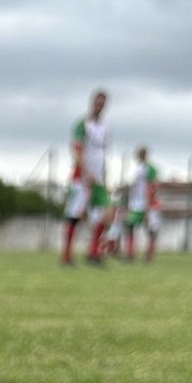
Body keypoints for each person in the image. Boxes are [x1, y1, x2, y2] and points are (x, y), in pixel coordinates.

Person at [60, 89, 110, 267]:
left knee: (102, 215)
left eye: (103, 103)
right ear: (92, 102)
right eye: (98, 102)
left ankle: (94, 253)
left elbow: (103, 155)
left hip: (99, 180)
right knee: (74, 215)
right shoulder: (82, 124)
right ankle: (66, 255)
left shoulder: (104, 128)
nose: (100, 105)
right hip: (81, 178)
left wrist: (105, 176)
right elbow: (77, 150)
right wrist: (86, 171)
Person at [125, 146, 160, 262]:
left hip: (148, 203)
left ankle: (149, 255)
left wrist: (149, 204)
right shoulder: (139, 168)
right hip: (136, 204)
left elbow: (153, 186)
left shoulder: (150, 168)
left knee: (151, 229)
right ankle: (130, 253)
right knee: (130, 225)